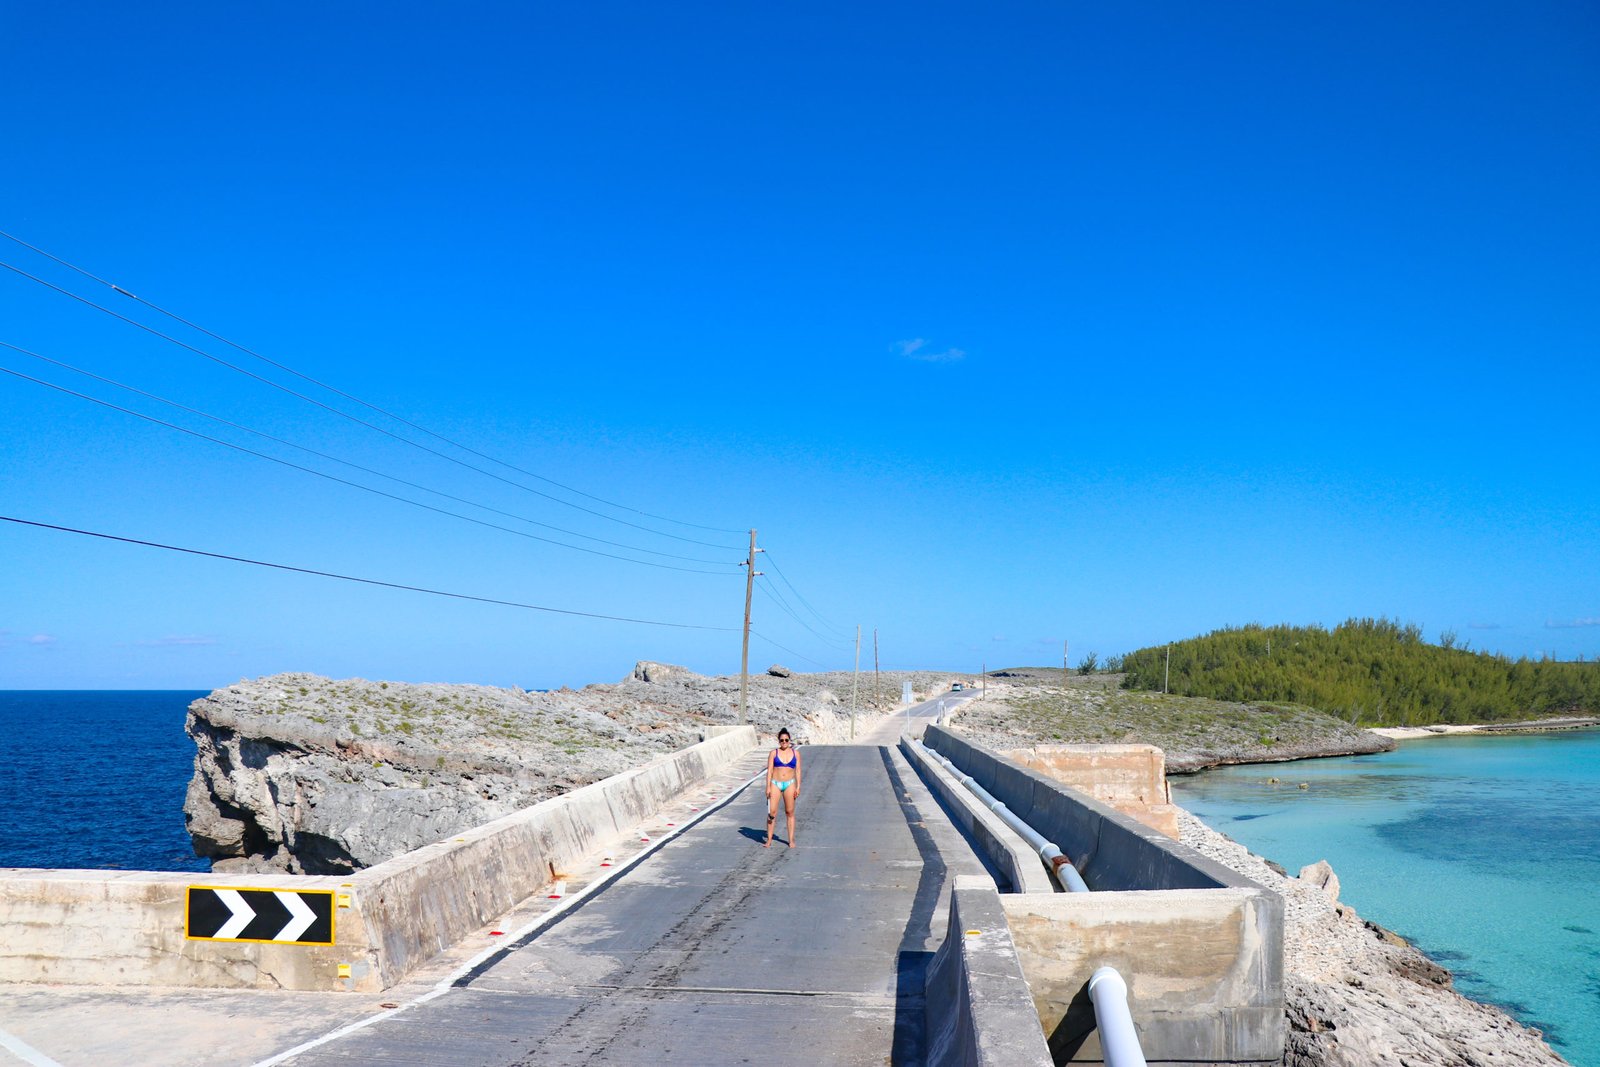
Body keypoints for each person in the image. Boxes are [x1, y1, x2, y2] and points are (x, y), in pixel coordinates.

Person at [765, 728, 801, 848]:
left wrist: (798, 786)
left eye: (786, 740)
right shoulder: (773, 753)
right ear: (779, 741)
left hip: (789, 784)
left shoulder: (796, 754)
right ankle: (769, 840)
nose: (784, 742)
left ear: (789, 740)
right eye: (782, 740)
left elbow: (798, 771)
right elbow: (769, 771)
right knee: (772, 812)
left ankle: (791, 840)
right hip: (776, 783)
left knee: (789, 812)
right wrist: (768, 787)